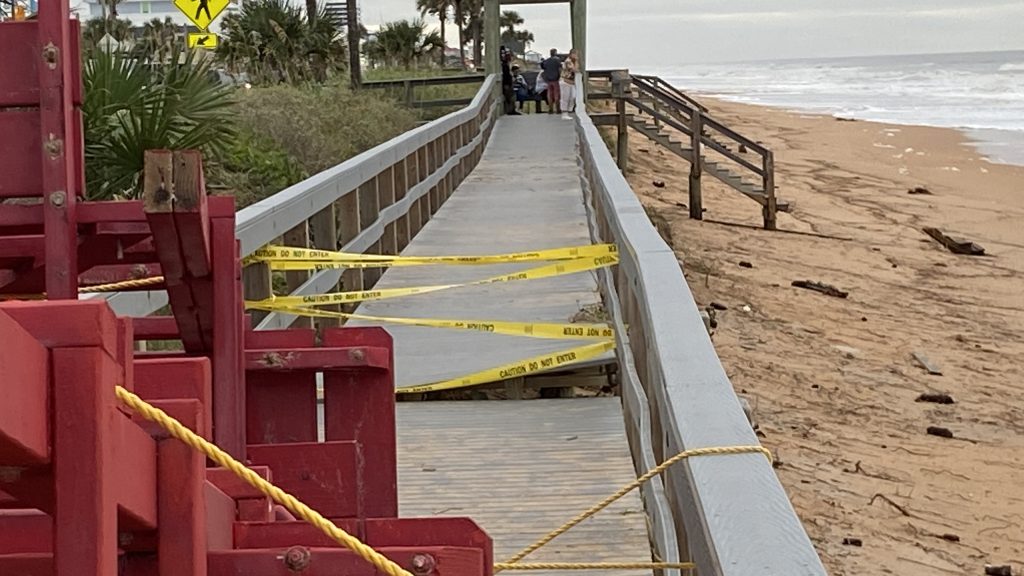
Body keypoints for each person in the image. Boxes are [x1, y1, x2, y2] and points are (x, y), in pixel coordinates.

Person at [500, 46, 521, 116]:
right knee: (511, 96)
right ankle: (511, 110)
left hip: (508, 83)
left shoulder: (505, 65)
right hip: (507, 83)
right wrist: (507, 84)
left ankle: (512, 109)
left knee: (512, 96)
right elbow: (506, 76)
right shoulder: (504, 65)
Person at [540, 48, 562, 114]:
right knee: (556, 94)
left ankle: (550, 109)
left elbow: (543, 68)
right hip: (556, 79)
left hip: (548, 80)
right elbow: (560, 68)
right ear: (555, 53)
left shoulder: (546, 61)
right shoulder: (557, 60)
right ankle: (558, 109)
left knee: (549, 95)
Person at [559, 49, 579, 119]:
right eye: (575, 54)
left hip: (571, 83)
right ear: (571, 54)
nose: (576, 56)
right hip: (565, 81)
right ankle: (564, 113)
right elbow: (574, 70)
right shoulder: (568, 61)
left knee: (573, 96)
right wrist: (576, 61)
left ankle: (569, 110)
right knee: (565, 97)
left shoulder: (572, 61)